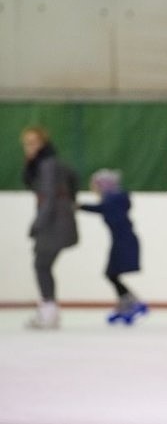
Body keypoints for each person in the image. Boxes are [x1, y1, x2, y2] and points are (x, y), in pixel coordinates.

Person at [20, 125, 78, 329]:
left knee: (41, 265)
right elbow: (72, 177)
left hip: (53, 222)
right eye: (27, 143)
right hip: (56, 219)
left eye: (34, 142)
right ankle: (48, 310)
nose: (29, 147)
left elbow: (49, 198)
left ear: (42, 143)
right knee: (43, 265)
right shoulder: (47, 162)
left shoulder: (46, 164)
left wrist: (37, 224)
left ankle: (49, 312)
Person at [78, 169, 148, 325]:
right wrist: (80, 206)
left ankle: (133, 303)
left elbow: (103, 209)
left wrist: (80, 206)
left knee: (111, 274)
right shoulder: (113, 200)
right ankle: (129, 302)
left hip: (124, 241)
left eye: (96, 186)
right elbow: (101, 209)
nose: (94, 189)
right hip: (123, 240)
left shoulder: (112, 200)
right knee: (111, 274)